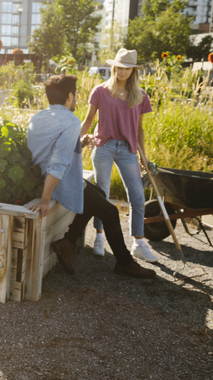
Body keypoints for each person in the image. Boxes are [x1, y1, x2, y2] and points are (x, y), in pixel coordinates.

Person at [26, 74, 155, 279]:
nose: (76, 99)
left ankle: (67, 242)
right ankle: (124, 262)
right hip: (58, 183)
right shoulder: (70, 121)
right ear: (69, 96)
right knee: (111, 212)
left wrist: (81, 143)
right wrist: (44, 199)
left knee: (99, 193)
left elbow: (51, 147)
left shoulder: (38, 116)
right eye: (75, 95)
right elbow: (58, 163)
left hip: (41, 177)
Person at [80, 49, 157, 263]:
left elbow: (139, 129)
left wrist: (143, 155)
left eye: (127, 68)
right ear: (114, 67)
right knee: (102, 195)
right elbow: (88, 120)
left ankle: (139, 243)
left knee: (138, 196)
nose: (123, 71)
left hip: (128, 149)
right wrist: (75, 141)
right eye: (120, 67)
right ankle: (99, 237)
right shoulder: (100, 91)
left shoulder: (140, 95)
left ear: (133, 70)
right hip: (103, 146)